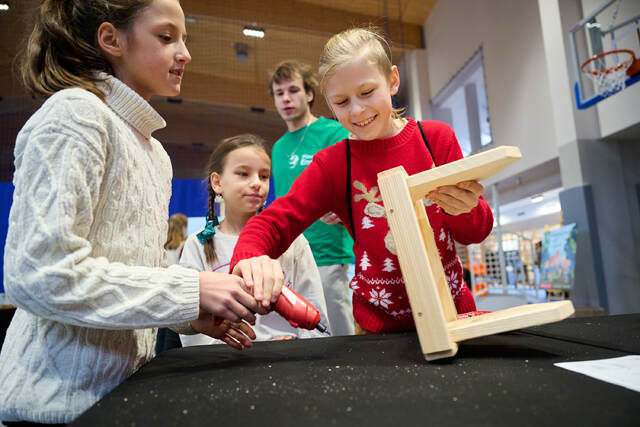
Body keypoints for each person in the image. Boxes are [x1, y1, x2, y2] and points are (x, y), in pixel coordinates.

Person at [0, 1, 265, 424]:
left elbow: (132, 272)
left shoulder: (155, 153)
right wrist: (189, 292)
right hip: (53, 409)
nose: (185, 53)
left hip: (124, 398)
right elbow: (39, 274)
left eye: (184, 39)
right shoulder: (75, 116)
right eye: (166, 37)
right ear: (111, 39)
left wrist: (188, 314)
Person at [230, 27, 493, 334]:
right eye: (341, 102)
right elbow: (273, 221)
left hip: (454, 317)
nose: (358, 110)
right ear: (328, 103)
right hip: (378, 331)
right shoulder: (334, 163)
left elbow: (476, 231)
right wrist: (251, 258)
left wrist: (464, 207)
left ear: (392, 80)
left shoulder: (435, 138)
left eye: (367, 93)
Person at [179, 134, 330, 345]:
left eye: (264, 176)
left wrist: (297, 345)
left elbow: (315, 310)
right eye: (243, 174)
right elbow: (190, 322)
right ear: (217, 182)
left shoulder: (293, 241)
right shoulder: (199, 244)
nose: (256, 183)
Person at [269, 60, 355, 336]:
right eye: (279, 93)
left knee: (339, 338)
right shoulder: (278, 147)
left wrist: (342, 204)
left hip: (328, 255)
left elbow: (355, 184)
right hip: (289, 258)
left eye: (293, 90)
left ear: (308, 94)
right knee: (301, 338)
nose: (286, 99)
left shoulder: (334, 133)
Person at [155, 212, 189, 355]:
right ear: (183, 227)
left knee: (160, 335)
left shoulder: (163, 246)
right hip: (175, 294)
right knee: (171, 335)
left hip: (161, 292)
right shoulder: (184, 246)